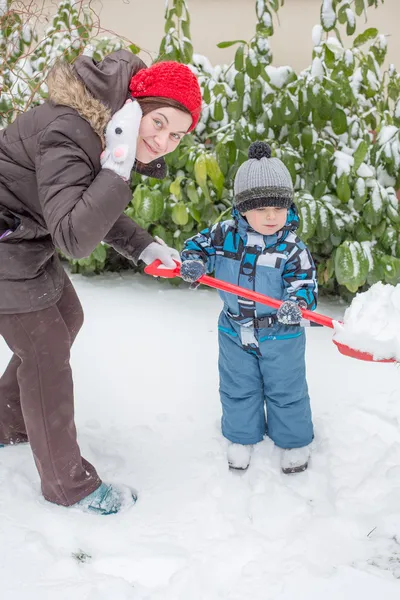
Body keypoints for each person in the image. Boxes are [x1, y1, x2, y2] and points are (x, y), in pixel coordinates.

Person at [0, 50, 202, 514]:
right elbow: (74, 236)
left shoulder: (103, 131)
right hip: (8, 240)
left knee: (67, 315)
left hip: (23, 236)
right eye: (160, 125)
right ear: (137, 108)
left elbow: (83, 204)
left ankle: (7, 421)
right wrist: (116, 165)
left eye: (178, 135)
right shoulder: (71, 132)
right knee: (45, 346)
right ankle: (69, 487)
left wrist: (143, 246)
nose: (166, 142)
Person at [180, 142, 317, 474]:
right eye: (260, 208)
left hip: (280, 334)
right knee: (237, 386)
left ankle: (293, 441)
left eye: (279, 208)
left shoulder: (292, 248)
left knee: (286, 390)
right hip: (233, 330)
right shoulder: (225, 235)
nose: (271, 216)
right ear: (242, 209)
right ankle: (242, 437)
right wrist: (195, 262)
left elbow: (306, 285)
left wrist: (296, 305)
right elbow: (196, 246)